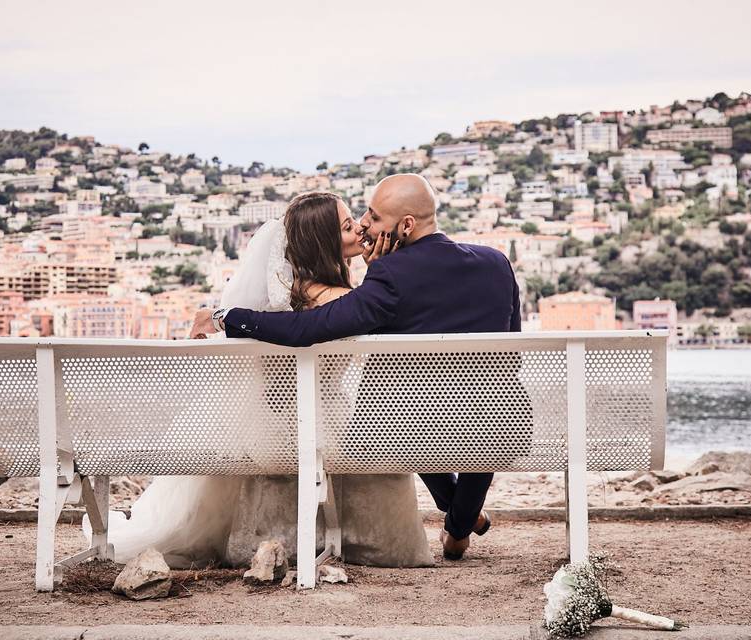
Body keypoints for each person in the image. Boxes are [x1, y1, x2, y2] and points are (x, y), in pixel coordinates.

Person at [86, 191, 432, 568]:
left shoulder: (291, 294)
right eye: (348, 227)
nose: (361, 231)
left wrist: (223, 316)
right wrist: (378, 273)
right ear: (324, 242)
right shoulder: (342, 299)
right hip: (314, 426)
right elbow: (353, 312)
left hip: (275, 427)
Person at [192, 173, 525, 560]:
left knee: (393, 409)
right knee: (478, 414)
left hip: (415, 431)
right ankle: (459, 526)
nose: (365, 224)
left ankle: (458, 523)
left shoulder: (390, 277)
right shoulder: (497, 263)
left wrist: (225, 317)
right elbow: (510, 355)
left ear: (405, 226)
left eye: (373, 216)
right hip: (504, 423)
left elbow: (307, 329)